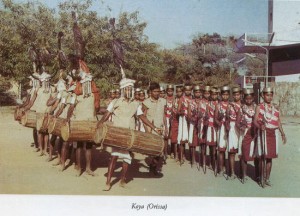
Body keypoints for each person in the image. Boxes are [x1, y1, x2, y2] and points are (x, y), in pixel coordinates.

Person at [97, 76, 160, 190]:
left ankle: (122, 180)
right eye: (126, 89)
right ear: (122, 90)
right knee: (114, 157)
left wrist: (154, 127)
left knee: (126, 158)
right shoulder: (116, 101)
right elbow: (107, 114)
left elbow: (142, 117)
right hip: (118, 134)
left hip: (130, 135)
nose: (129, 91)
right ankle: (108, 182)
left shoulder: (136, 104)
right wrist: (100, 123)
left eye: (130, 89)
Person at [65, 60, 100, 176]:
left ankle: (89, 168)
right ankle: (79, 168)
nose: (87, 84)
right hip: (79, 122)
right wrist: (67, 119)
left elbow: (97, 107)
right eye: (85, 82)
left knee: (89, 146)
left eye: (89, 82)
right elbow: (71, 107)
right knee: (79, 146)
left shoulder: (94, 94)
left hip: (90, 122)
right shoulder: (76, 94)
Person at [253, 87, 286, 186]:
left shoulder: (276, 107)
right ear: (263, 95)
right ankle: (261, 177)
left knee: (270, 158)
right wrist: (260, 126)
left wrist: (282, 133)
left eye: (271, 95)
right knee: (262, 156)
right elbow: (254, 121)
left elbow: (278, 122)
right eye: (267, 95)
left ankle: (267, 178)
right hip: (263, 133)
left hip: (273, 134)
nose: (269, 97)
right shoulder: (259, 107)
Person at [142, 82, 167, 170]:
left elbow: (164, 115)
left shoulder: (163, 101)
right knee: (153, 149)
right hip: (151, 129)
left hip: (160, 128)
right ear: (151, 92)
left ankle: (154, 165)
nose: (157, 93)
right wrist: (147, 130)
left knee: (160, 149)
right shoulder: (146, 102)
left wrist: (166, 128)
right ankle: (154, 166)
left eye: (158, 91)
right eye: (155, 91)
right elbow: (143, 117)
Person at [236, 88, 259, 184]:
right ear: (244, 98)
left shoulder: (257, 107)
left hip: (255, 133)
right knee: (244, 154)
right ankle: (243, 175)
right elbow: (237, 122)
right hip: (245, 133)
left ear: (253, 98)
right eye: (246, 99)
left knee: (256, 154)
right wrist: (241, 126)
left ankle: (257, 175)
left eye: (250, 98)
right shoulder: (241, 109)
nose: (248, 100)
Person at [226, 86, 242, 179]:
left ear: (241, 95)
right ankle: (232, 172)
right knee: (232, 152)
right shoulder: (230, 105)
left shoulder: (243, 105)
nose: (236, 96)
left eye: (238, 94)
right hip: (232, 128)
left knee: (241, 151)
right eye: (235, 95)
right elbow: (227, 117)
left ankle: (240, 172)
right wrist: (227, 125)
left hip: (241, 128)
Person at [214, 86, 230, 176]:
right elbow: (215, 118)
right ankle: (221, 167)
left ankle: (229, 168)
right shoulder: (218, 105)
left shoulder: (231, 105)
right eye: (223, 94)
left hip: (230, 128)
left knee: (229, 148)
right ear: (221, 95)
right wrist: (218, 123)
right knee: (221, 149)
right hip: (221, 128)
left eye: (227, 94)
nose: (225, 96)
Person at [177, 85, 193, 165]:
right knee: (182, 139)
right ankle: (181, 156)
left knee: (191, 138)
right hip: (183, 119)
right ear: (184, 91)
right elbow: (178, 111)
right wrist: (181, 113)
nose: (188, 91)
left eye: (189, 90)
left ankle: (191, 157)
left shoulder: (192, 99)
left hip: (191, 120)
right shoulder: (181, 99)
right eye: (186, 90)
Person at [205, 87, 219, 173]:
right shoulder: (208, 104)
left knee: (218, 146)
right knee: (211, 146)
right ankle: (211, 162)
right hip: (210, 126)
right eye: (212, 94)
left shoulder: (220, 103)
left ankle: (219, 163)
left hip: (218, 127)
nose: (214, 96)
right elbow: (206, 115)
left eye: (215, 94)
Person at [188, 85, 201, 167]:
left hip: (200, 124)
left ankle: (200, 159)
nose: (198, 93)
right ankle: (192, 159)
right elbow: (188, 114)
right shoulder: (190, 102)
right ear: (194, 93)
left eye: (199, 92)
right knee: (192, 142)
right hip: (193, 123)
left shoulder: (203, 102)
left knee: (199, 141)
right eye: (196, 92)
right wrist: (192, 119)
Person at [198, 86, 210, 171]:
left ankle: (208, 161)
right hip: (202, 123)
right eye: (205, 93)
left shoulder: (213, 102)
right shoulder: (200, 102)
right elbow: (198, 113)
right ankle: (202, 160)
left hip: (210, 124)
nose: (207, 94)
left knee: (208, 143)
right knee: (202, 143)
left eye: (208, 93)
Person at [170, 85, 183, 161]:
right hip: (175, 120)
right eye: (177, 91)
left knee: (181, 138)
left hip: (181, 120)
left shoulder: (183, 99)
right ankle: (175, 154)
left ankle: (181, 154)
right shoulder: (175, 99)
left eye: (180, 91)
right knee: (174, 138)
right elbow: (173, 109)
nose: (178, 93)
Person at [165, 85, 174, 158]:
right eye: (168, 91)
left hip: (173, 118)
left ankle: (172, 151)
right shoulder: (164, 98)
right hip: (166, 118)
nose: (170, 92)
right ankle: (165, 151)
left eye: (171, 91)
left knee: (172, 134)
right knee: (166, 135)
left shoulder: (175, 99)